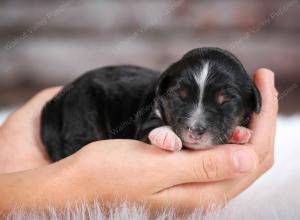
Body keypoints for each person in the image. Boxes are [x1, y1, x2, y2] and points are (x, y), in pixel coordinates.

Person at [0, 68, 278, 215]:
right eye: (181, 99)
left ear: (251, 101)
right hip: (88, 100)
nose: (195, 126)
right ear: (164, 92)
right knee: (78, 140)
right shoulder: (152, 105)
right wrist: (67, 183)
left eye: (224, 103)